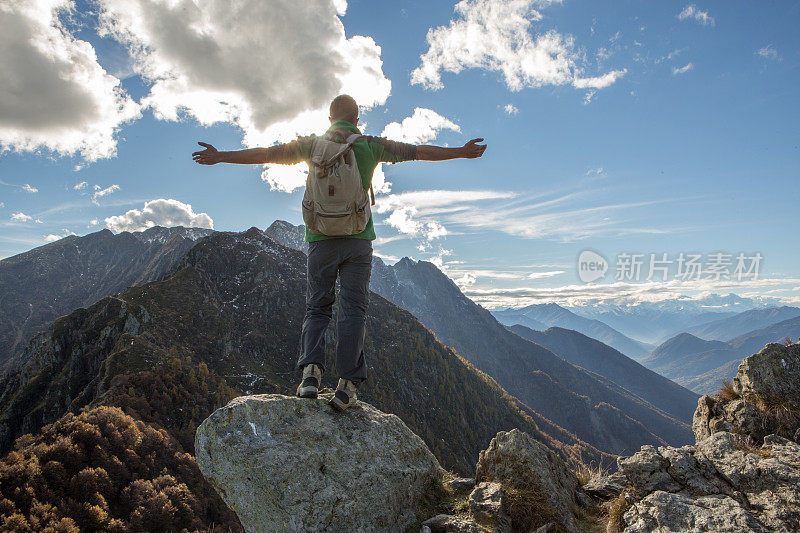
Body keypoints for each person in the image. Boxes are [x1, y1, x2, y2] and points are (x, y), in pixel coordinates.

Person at [192, 94, 486, 411]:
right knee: (353, 310)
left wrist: (222, 156)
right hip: (358, 241)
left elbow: (266, 154)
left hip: (320, 240)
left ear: (329, 119)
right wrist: (460, 152)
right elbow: (418, 152)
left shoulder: (311, 145)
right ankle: (346, 386)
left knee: (318, 308)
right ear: (357, 119)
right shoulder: (370, 145)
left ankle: (310, 375)